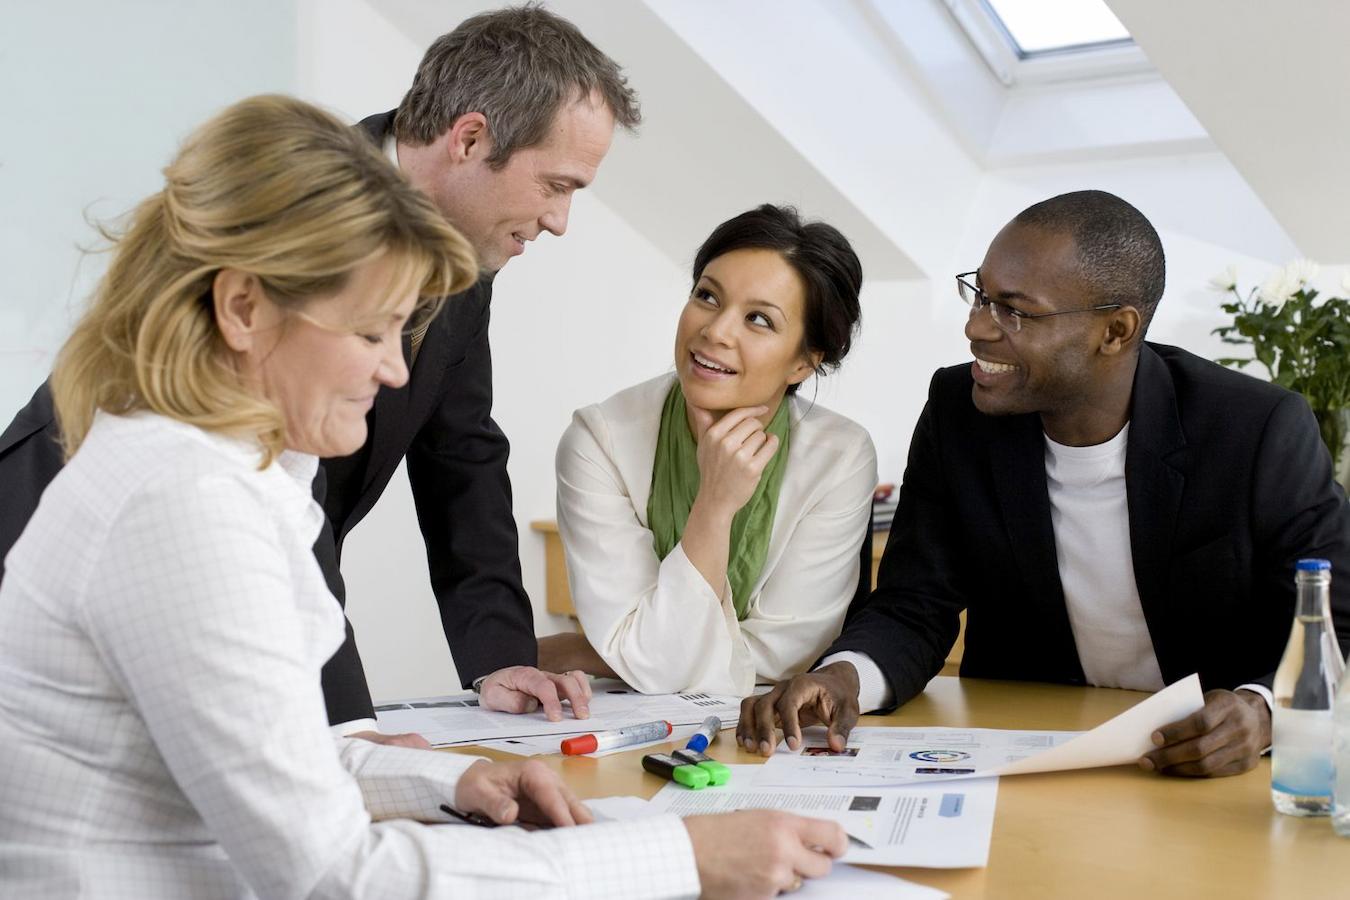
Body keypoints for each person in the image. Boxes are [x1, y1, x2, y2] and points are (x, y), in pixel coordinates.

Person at [0, 94, 846, 900]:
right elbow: (340, 877)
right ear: (244, 309)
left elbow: (278, 751)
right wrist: (681, 855)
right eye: (371, 333)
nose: (397, 371)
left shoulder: (232, 471)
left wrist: (447, 775)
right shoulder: (183, 507)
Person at [0, 5, 640, 738]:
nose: (560, 219)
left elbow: (462, 449)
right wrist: (350, 735)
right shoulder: (306, 198)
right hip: (62, 527)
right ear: (470, 139)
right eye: (557, 186)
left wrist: (498, 655)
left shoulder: (468, 240)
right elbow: (282, 480)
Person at [739, 190, 1350, 777]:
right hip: (1029, 757)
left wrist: (1263, 711)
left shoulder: (1255, 431)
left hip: (1208, 771)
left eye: (1015, 310)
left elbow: (1336, 622)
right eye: (979, 295)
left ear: (1115, 331)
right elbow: (913, 602)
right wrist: (843, 677)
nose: (977, 327)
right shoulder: (959, 412)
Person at [541, 205, 876, 696]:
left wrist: (592, 653)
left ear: (804, 362)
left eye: (758, 319)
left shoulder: (841, 457)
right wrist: (715, 506)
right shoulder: (600, 439)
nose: (716, 331)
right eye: (707, 296)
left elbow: (788, 656)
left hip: (766, 732)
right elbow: (659, 662)